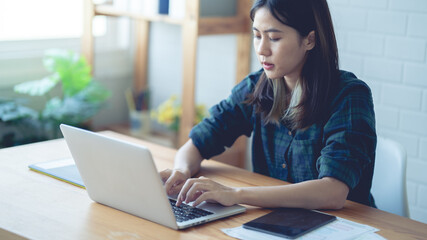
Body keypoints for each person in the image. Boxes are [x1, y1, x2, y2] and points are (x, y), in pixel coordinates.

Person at [160, 0, 377, 210]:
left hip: (346, 227)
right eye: (257, 36)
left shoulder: (349, 96)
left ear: (309, 40)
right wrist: (182, 170)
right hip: (277, 220)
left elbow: (333, 192)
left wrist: (236, 194)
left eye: (273, 38)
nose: (262, 49)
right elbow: (201, 140)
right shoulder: (256, 86)